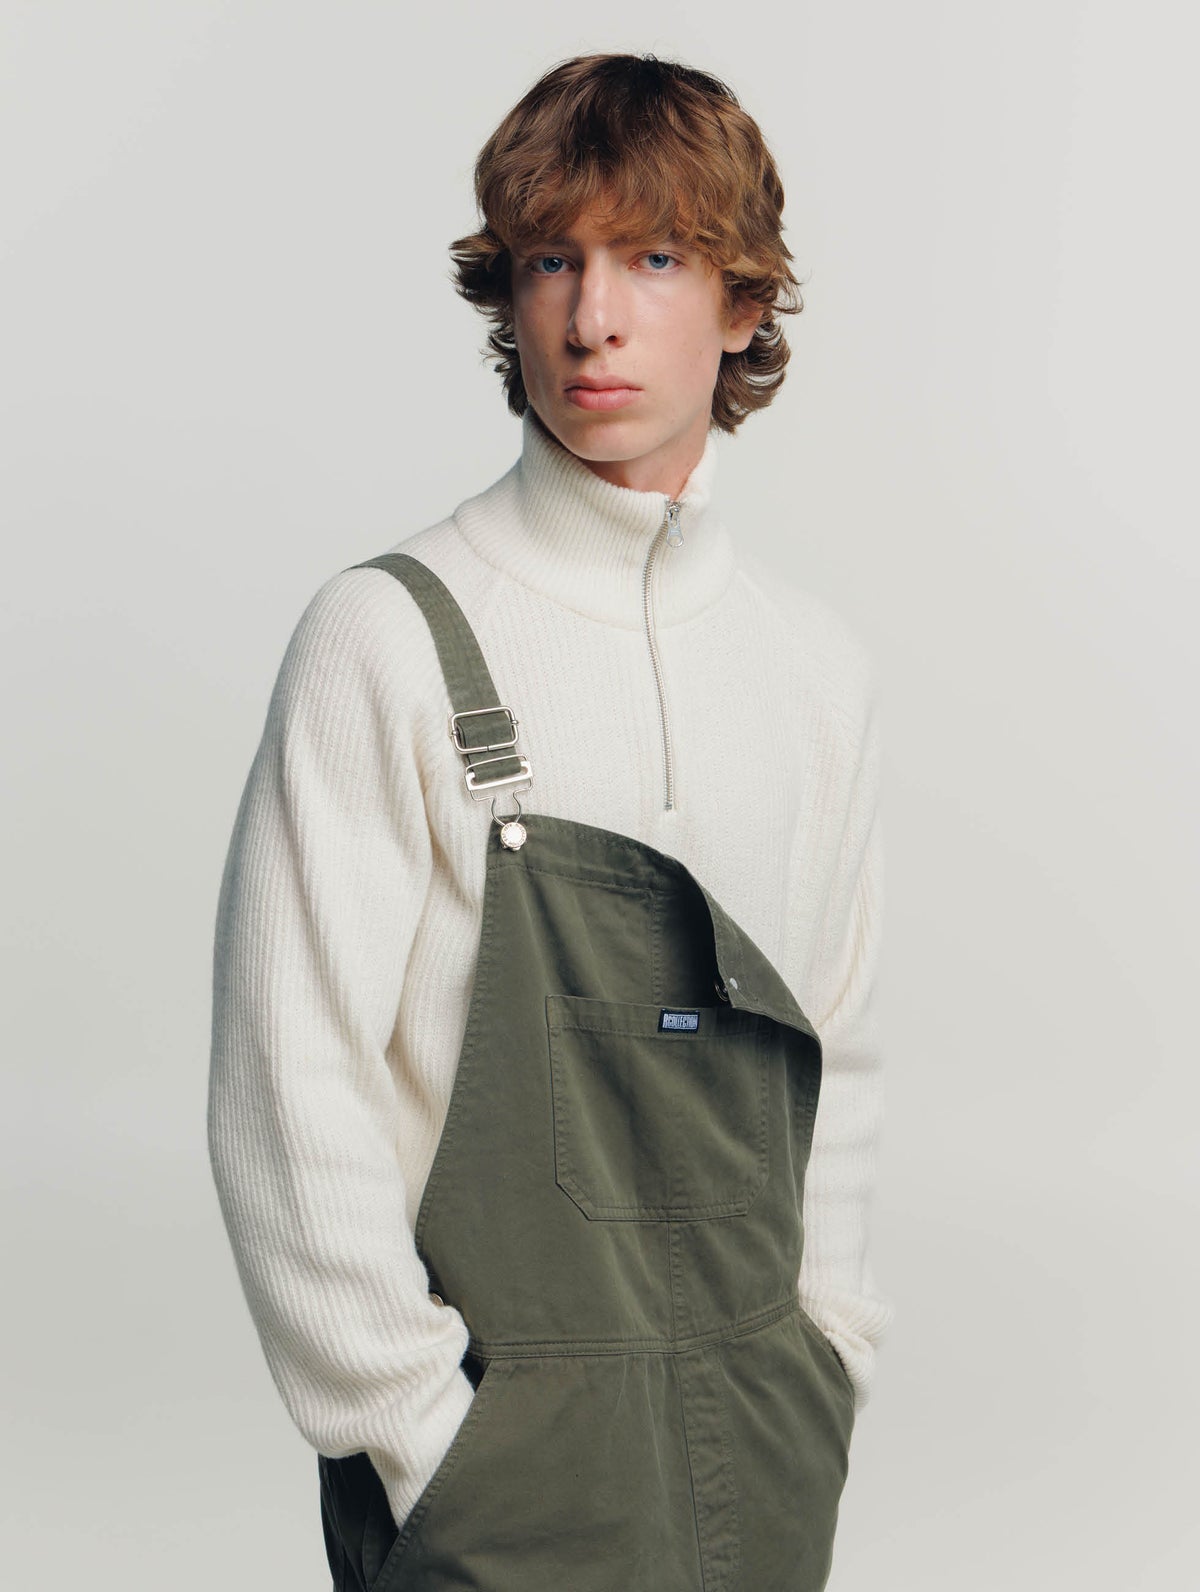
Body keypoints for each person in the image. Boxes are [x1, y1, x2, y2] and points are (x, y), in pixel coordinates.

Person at [208, 50, 893, 1592]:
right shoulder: (388, 640)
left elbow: (837, 1055)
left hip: (762, 1438)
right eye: (550, 262)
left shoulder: (813, 673)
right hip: (496, 1467)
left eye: (654, 259)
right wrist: (422, 1436)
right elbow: (289, 1082)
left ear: (741, 302)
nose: (592, 318)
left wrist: (829, 1357)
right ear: (506, 296)